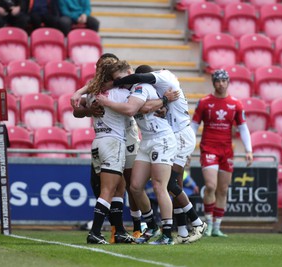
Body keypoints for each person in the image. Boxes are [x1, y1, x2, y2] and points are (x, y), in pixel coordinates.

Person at [112, 65, 207, 244]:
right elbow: (145, 106)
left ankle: (188, 225)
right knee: (144, 186)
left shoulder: (160, 79)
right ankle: (180, 230)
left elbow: (140, 105)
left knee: (167, 184)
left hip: (175, 135)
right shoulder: (151, 89)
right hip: (162, 136)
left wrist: (117, 83)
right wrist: (162, 101)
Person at [97, 60, 178, 245]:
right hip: (147, 140)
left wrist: (108, 102)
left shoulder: (142, 87)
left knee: (159, 186)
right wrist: (161, 102)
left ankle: (167, 233)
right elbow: (140, 108)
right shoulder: (131, 91)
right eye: (115, 80)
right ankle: (151, 225)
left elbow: (131, 109)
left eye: (120, 78)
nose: (119, 82)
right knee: (134, 186)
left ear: (130, 72)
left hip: (161, 138)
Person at [72, 53, 144, 242]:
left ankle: (119, 230)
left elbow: (77, 110)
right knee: (109, 190)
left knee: (119, 188)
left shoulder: (92, 93)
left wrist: (81, 95)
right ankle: (95, 232)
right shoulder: (122, 93)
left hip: (98, 142)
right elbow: (138, 106)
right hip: (114, 142)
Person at [191, 69, 253, 237]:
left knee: (223, 189)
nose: (221, 83)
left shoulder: (236, 104)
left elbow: (243, 128)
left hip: (226, 151)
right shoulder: (204, 102)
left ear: (228, 82)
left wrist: (249, 150)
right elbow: (194, 126)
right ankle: (209, 224)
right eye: (218, 81)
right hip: (209, 148)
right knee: (210, 186)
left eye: (224, 80)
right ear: (213, 82)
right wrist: (188, 149)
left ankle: (217, 227)